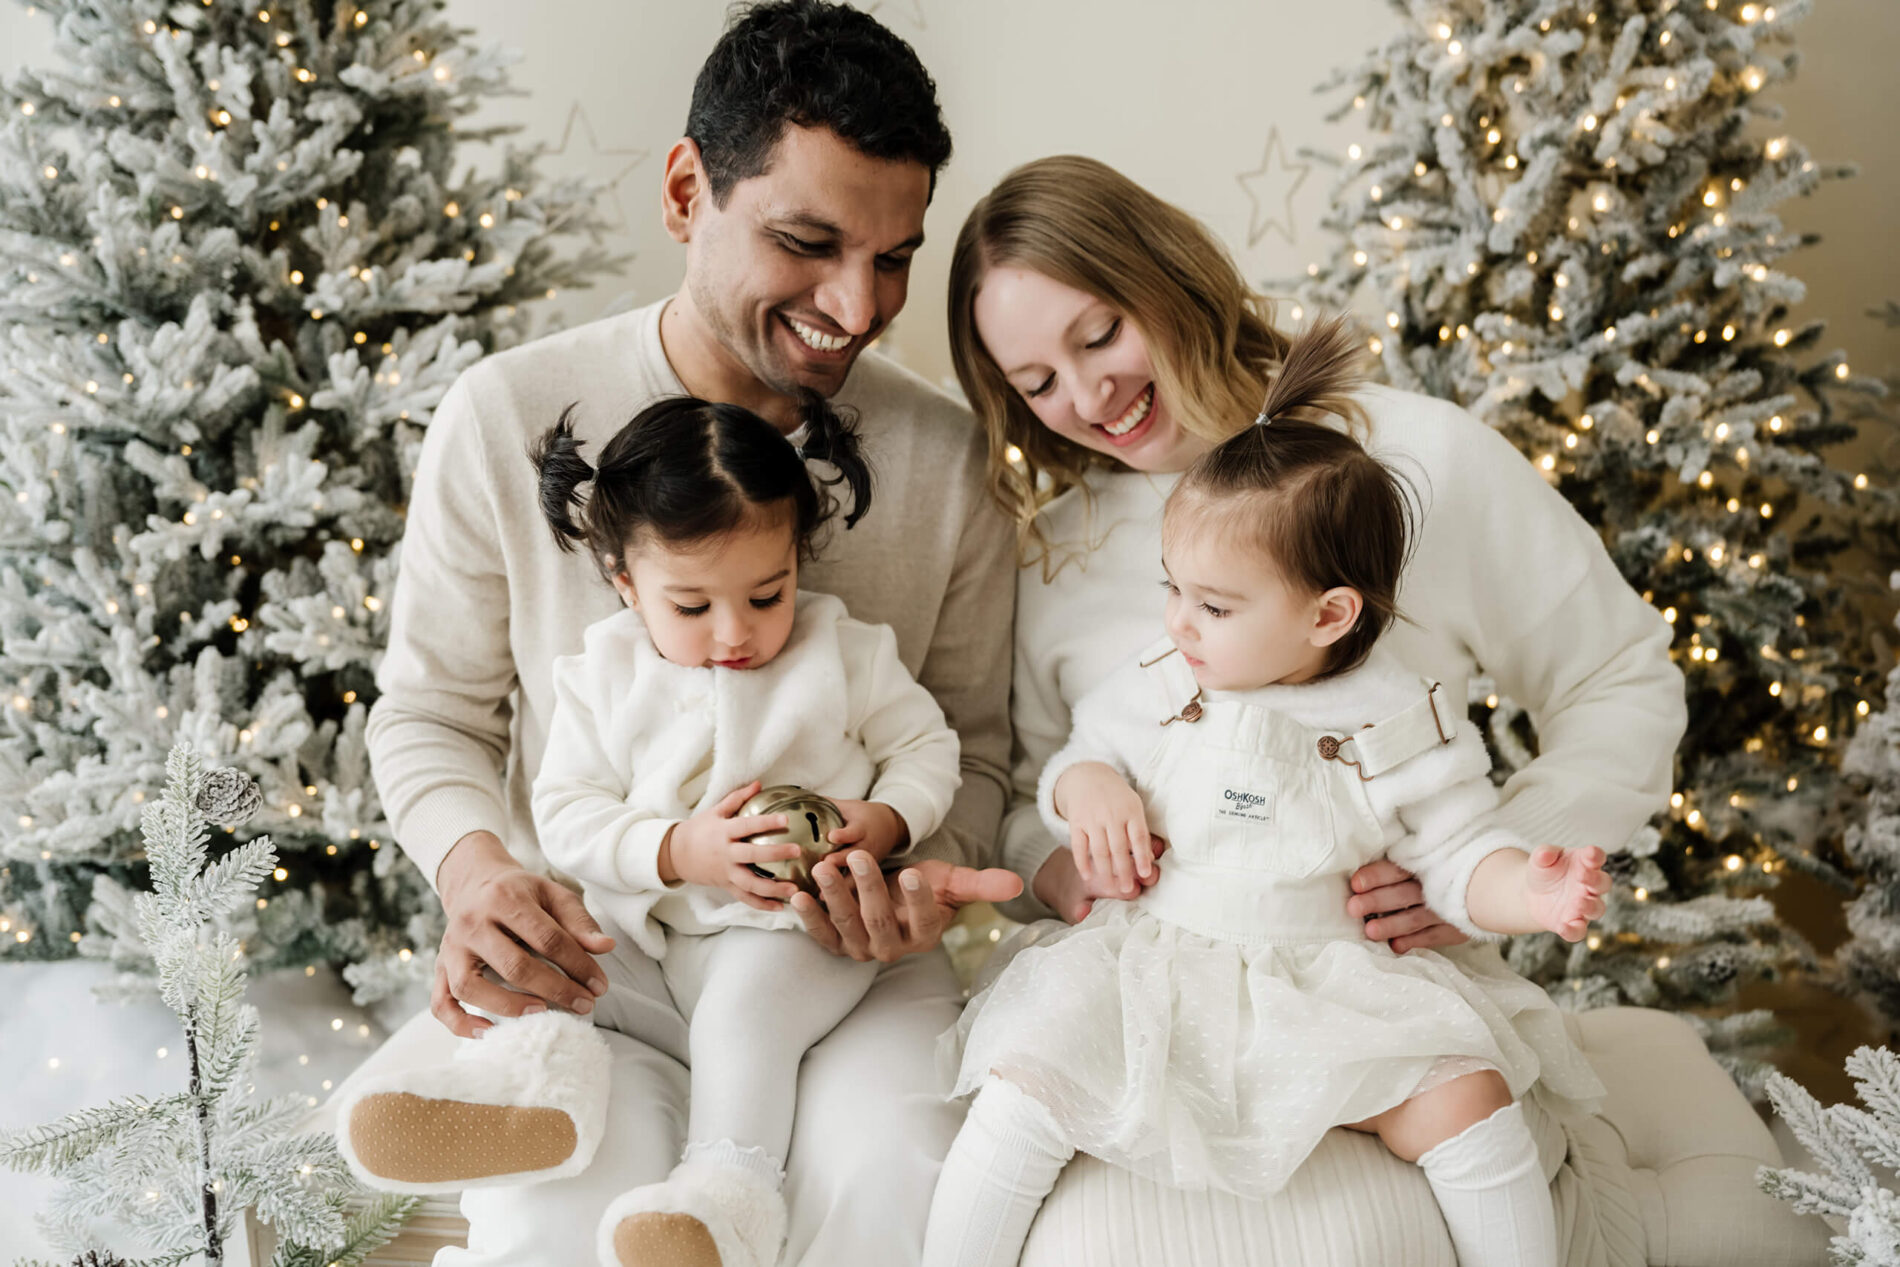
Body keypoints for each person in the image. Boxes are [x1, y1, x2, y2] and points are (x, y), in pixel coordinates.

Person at [335, 5, 1020, 1265]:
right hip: (613, 947)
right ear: (685, 190)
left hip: (837, 961)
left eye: (893, 257)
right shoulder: (506, 415)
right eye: (807, 243)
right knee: (557, 1208)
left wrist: (914, 868)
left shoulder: (945, 460)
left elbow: (974, 747)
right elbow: (432, 714)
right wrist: (479, 875)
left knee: (889, 1177)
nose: (855, 304)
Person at [949, 156, 1686, 1258]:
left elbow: (1618, 677)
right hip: (1153, 1006)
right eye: (1036, 380)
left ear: (1169, 280)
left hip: (1369, 1007)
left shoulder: (1410, 461)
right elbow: (1029, 793)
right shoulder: (1058, 552)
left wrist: (1481, 876)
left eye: (1098, 333)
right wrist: (1068, 857)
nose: (1086, 396)